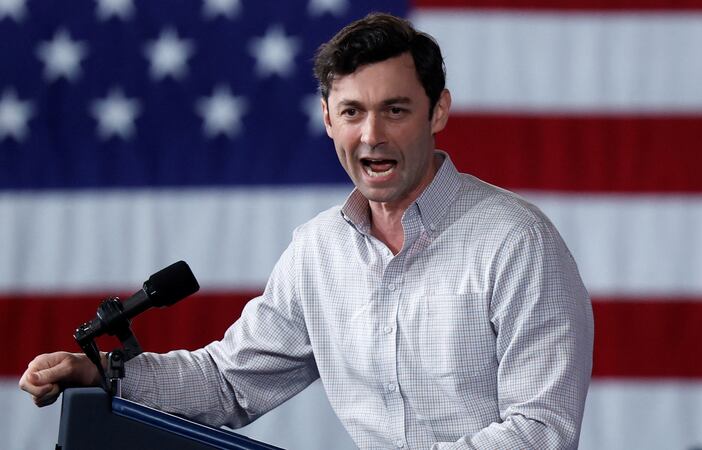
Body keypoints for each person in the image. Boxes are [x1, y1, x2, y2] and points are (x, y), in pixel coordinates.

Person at [20, 12, 593, 449]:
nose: (372, 135)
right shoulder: (318, 251)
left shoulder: (518, 243)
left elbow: (539, 431)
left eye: (395, 110)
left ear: (437, 111)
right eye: (352, 112)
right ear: (326, 118)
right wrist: (104, 375)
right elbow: (229, 384)